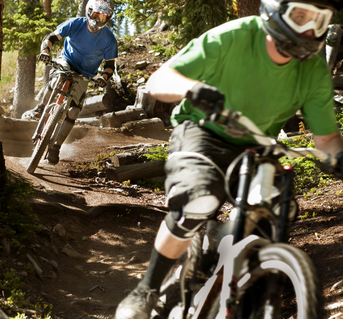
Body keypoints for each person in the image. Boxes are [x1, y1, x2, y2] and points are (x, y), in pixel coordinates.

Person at [115, 0, 343, 318]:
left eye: (319, 22)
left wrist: (337, 157)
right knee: (199, 200)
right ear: (275, 10)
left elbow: (327, 139)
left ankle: (243, 282)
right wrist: (193, 89)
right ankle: (147, 290)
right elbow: (159, 81)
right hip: (203, 130)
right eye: (301, 17)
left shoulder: (313, 68)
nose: (309, 30)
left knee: (275, 210)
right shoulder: (233, 36)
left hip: (258, 146)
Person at [23, 0, 118, 165]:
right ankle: (41, 107)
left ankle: (56, 147)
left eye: (102, 18)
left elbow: (110, 65)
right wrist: (45, 51)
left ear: (107, 19)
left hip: (86, 73)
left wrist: (104, 78)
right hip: (67, 60)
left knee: (73, 111)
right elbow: (51, 37)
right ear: (89, 12)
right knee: (57, 77)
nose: (97, 20)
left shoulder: (109, 39)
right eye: (95, 15)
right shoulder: (76, 23)